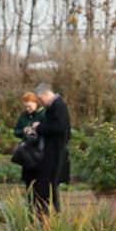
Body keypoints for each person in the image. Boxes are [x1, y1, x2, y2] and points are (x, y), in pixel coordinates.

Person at [33, 83, 70, 213]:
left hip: (55, 152)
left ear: (45, 94)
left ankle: (51, 214)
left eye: (40, 99)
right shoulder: (54, 106)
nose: (40, 102)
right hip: (52, 151)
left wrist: (39, 127)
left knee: (50, 184)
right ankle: (49, 213)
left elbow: (59, 127)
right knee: (48, 185)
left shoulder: (58, 106)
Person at [13, 92, 43, 193]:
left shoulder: (42, 114)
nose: (27, 109)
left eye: (29, 106)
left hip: (39, 152)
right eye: (25, 107)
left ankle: (40, 206)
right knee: (28, 183)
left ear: (36, 103)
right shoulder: (23, 115)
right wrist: (24, 131)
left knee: (40, 183)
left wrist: (36, 131)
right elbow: (16, 131)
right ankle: (30, 206)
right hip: (26, 153)